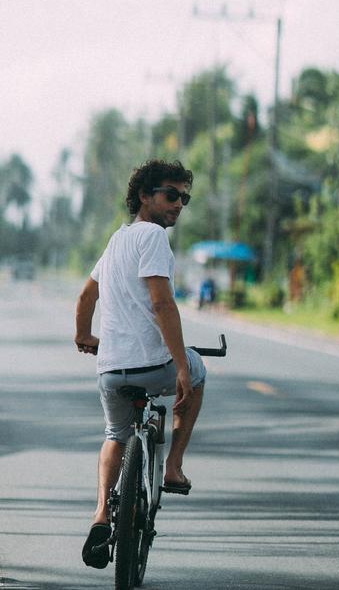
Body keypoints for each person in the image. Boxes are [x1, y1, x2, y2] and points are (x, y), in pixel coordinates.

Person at [74, 159, 209, 570]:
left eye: (184, 197)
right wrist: (182, 367)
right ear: (144, 197)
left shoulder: (118, 241)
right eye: (171, 195)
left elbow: (86, 297)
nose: (179, 204)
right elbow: (161, 302)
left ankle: (101, 513)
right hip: (153, 365)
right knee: (199, 372)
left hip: (111, 371)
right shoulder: (152, 237)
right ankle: (173, 467)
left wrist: (84, 337)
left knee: (116, 433)